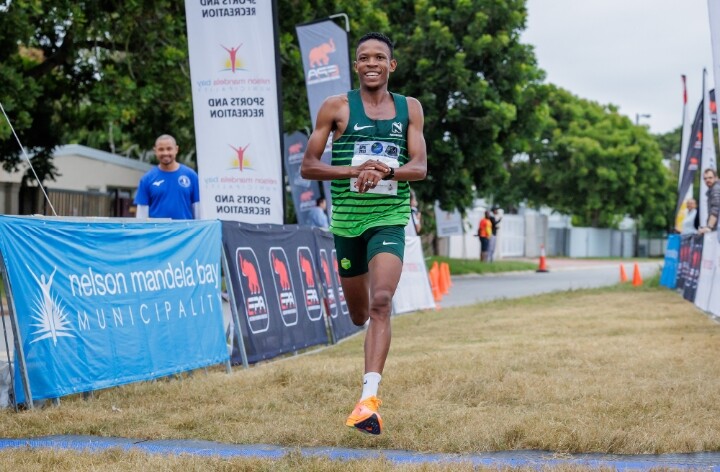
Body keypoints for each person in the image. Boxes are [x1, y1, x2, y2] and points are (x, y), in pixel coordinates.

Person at [300, 32, 427, 435]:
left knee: (382, 302)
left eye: (380, 58)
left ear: (392, 65)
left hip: (388, 216)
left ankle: (368, 401)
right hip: (347, 222)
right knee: (359, 315)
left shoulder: (409, 108)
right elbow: (308, 166)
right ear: (356, 65)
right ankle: (366, 319)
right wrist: (354, 170)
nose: (372, 63)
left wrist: (388, 170)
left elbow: (419, 167)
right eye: (364, 58)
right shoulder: (336, 107)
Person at [134, 134, 200, 220]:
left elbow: (198, 209)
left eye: (169, 149)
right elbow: (141, 215)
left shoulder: (191, 176)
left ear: (176, 149)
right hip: (158, 229)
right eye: (161, 149)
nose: (165, 153)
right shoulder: (147, 179)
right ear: (155, 151)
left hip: (185, 229)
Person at [699, 169, 720, 234]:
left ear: (716, 178)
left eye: (710, 178)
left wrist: (709, 227)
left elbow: (715, 209)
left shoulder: (716, 189)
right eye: (705, 179)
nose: (707, 180)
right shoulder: (713, 189)